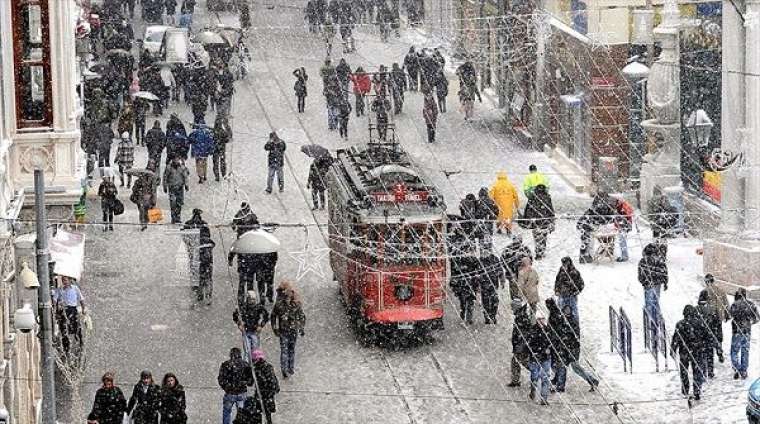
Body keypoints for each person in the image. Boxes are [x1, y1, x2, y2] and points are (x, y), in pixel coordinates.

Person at [546, 299, 598, 393]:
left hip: (570, 348)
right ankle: (559, 383)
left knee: (573, 367)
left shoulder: (570, 321)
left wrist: (570, 347)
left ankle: (591, 380)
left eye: (568, 310)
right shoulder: (560, 319)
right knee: (563, 366)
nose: (566, 312)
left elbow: (572, 337)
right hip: (566, 348)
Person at [271, 281, 306, 378]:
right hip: (284, 331)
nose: (287, 298)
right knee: (284, 350)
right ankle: (285, 369)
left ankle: (290, 368)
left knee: (291, 349)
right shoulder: (279, 305)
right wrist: (275, 328)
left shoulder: (296, 305)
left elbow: (302, 316)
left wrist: (301, 327)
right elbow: (273, 316)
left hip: (293, 330)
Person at [671, 305, 708, 399]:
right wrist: (704, 347)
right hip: (697, 351)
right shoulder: (700, 323)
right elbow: (706, 337)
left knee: (684, 371)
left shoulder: (680, 324)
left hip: (684, 351)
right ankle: (697, 390)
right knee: (697, 371)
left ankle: (685, 389)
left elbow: (676, 338)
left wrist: (673, 349)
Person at [576, 192, 617, 263]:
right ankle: (584, 257)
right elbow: (602, 219)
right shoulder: (601, 207)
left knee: (588, 241)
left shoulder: (600, 205)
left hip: (587, 223)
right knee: (587, 241)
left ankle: (587, 256)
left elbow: (603, 219)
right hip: (586, 224)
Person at [218, 347, 255, 424]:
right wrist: (244, 383)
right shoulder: (245, 365)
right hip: (242, 392)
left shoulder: (226, 364)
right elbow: (250, 381)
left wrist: (227, 387)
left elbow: (221, 379)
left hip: (230, 393)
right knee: (242, 414)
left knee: (227, 413)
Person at [730, 288, 759, 379]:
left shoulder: (734, 304)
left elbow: (729, 315)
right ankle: (744, 370)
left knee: (734, 351)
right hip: (747, 331)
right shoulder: (751, 304)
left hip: (736, 331)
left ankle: (737, 368)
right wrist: (750, 322)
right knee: (745, 351)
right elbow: (757, 318)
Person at [521, 184, 555, 259]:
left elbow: (527, 209)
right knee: (543, 237)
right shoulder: (547, 197)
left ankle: (538, 252)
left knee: (536, 237)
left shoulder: (532, 198)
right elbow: (550, 209)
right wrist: (552, 219)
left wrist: (526, 219)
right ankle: (541, 251)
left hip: (535, 221)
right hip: (544, 221)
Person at [53, 276, 86, 352]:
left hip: (73, 309)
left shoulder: (75, 288)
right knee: (64, 329)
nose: (64, 282)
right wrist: (55, 310)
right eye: (63, 280)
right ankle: (66, 347)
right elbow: (55, 300)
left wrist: (84, 309)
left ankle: (80, 344)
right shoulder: (60, 289)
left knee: (77, 327)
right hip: (64, 310)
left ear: (70, 280)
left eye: (65, 280)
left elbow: (81, 299)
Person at [639, 243, 668, 327]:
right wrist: (665, 282)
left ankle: (651, 320)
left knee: (649, 302)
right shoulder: (659, 260)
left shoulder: (643, 261)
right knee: (655, 301)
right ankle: (656, 318)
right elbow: (665, 272)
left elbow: (640, 274)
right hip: (657, 284)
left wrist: (644, 282)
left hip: (648, 285)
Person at [234, 291, 270, 360]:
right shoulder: (243, 307)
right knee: (247, 351)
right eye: (251, 299)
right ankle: (247, 366)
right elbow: (235, 316)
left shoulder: (259, 307)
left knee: (255, 351)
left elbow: (266, 316)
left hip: (255, 331)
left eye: (254, 299)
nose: (252, 301)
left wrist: (261, 325)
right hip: (245, 331)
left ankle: (255, 365)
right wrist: (239, 324)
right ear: (247, 299)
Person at [696, 290, 722, 379]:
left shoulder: (696, 309)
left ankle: (703, 372)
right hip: (710, 335)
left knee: (701, 355)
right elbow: (718, 323)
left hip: (700, 336)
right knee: (710, 354)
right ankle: (710, 372)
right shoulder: (713, 309)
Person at [528, 311, 552, 405]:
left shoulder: (547, 330)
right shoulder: (533, 331)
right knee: (535, 377)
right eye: (540, 319)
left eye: (543, 319)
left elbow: (551, 343)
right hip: (536, 358)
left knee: (545, 378)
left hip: (544, 358)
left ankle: (544, 398)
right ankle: (534, 391)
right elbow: (530, 345)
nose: (542, 321)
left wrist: (548, 350)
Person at [508, 298, 532, 387]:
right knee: (516, 362)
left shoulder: (521, 317)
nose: (511, 309)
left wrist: (520, 344)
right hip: (520, 345)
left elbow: (525, 333)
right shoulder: (520, 316)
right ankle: (515, 380)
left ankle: (540, 374)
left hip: (521, 346)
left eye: (512, 307)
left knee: (522, 362)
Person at [251, 350, 280, 424]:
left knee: (260, 413)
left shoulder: (257, 369)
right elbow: (274, 380)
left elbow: (252, 382)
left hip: (263, 394)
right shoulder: (268, 366)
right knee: (267, 415)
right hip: (267, 395)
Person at [554, 257, 584, 322]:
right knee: (560, 312)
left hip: (571, 296)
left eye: (565, 263)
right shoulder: (561, 271)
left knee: (573, 313)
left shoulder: (574, 272)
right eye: (563, 263)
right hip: (562, 295)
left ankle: (575, 326)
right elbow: (557, 281)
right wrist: (556, 290)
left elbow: (581, 284)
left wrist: (576, 291)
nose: (564, 265)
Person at [450, 256, 479, 324]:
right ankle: (463, 317)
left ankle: (468, 319)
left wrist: (477, 283)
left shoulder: (474, 259)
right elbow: (454, 273)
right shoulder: (456, 259)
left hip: (471, 285)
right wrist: (453, 284)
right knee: (463, 303)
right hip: (462, 286)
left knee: (470, 302)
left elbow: (477, 272)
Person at [163, 156, 190, 224]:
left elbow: (185, 176)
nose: (176, 160)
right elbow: (165, 177)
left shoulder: (182, 167)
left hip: (180, 187)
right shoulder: (168, 168)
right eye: (175, 159)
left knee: (179, 203)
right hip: (172, 188)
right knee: (173, 203)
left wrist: (186, 185)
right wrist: (165, 186)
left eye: (177, 159)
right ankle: (173, 218)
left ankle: (178, 217)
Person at [480, 253, 503, 324]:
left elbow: (500, 270)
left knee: (495, 301)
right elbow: (478, 272)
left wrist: (502, 279)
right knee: (485, 301)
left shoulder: (495, 259)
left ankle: (493, 316)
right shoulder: (481, 260)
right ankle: (487, 317)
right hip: (484, 285)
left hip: (493, 284)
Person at [613, 196, 634, 262]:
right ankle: (624, 255)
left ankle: (625, 256)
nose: (615, 203)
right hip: (622, 226)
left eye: (616, 201)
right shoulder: (620, 206)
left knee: (622, 241)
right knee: (622, 241)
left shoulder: (624, 206)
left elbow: (627, 216)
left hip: (624, 226)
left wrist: (619, 218)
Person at [213, 116, 231, 181]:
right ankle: (223, 174)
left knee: (215, 162)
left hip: (215, 148)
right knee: (222, 161)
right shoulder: (222, 131)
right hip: (222, 148)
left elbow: (211, 139)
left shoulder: (213, 131)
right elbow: (227, 139)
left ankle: (217, 176)